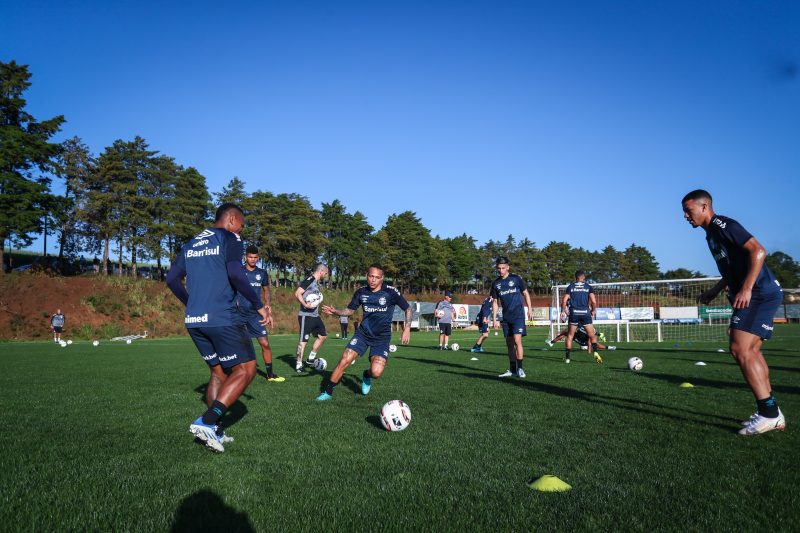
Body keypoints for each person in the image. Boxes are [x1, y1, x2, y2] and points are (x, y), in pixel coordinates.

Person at [166, 203, 268, 453]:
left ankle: (214, 431)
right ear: (232, 219)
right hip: (222, 316)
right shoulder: (229, 237)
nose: (241, 232)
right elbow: (235, 273)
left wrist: (192, 304)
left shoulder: (190, 244)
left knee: (218, 373)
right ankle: (207, 421)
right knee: (246, 369)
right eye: (241, 225)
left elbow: (171, 279)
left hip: (194, 319)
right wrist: (258, 304)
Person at [682, 189, 785, 435]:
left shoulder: (722, 224)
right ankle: (772, 411)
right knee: (750, 351)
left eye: (689, 210)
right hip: (758, 292)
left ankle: (768, 413)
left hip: (759, 292)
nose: (685, 216)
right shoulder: (711, 235)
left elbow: (758, 251)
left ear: (705, 207)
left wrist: (747, 289)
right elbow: (731, 268)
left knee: (740, 349)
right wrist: (716, 289)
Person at [316, 264, 412, 401]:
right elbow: (350, 311)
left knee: (376, 372)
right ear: (367, 276)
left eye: (377, 277)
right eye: (371, 276)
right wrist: (335, 311)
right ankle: (327, 391)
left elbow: (408, 309)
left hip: (382, 338)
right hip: (363, 334)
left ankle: (366, 375)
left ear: (382, 278)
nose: (373, 280)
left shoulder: (391, 292)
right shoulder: (361, 292)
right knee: (345, 359)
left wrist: (406, 328)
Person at [240, 245, 284, 382]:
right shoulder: (238, 271)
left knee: (264, 343)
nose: (252, 259)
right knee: (238, 344)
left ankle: (270, 375)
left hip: (255, 314)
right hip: (238, 313)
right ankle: (236, 374)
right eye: (250, 257)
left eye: (255, 257)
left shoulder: (262, 273)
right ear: (245, 257)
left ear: (258, 258)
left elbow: (266, 290)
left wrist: (268, 304)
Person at [491, 256, 533, 378]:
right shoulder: (496, 283)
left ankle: (520, 368)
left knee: (516, 340)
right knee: (509, 344)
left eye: (503, 268)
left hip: (518, 315)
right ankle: (512, 369)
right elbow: (495, 302)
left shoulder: (516, 279)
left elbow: (525, 293)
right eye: (499, 268)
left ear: (508, 267)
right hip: (506, 317)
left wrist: (530, 309)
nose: (501, 270)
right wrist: (494, 318)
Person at [560, 270, 601, 365]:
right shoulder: (588, 287)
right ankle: (595, 353)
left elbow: (564, 300)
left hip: (574, 313)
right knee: (592, 335)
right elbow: (593, 301)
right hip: (585, 313)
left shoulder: (570, 287)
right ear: (583, 277)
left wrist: (563, 311)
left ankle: (567, 358)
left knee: (570, 336)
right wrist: (593, 310)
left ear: (576, 277)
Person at [295, 264, 329, 372]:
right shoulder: (310, 279)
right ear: (322, 271)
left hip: (315, 316)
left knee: (323, 336)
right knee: (303, 341)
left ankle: (310, 358)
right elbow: (297, 293)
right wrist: (304, 304)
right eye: (326, 273)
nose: (326, 275)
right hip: (306, 316)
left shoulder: (316, 282)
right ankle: (299, 364)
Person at [547, 325, 616, 361]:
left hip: (584, 342)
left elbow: (589, 341)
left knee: (596, 344)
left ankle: (609, 347)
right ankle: (551, 342)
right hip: (578, 338)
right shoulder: (581, 326)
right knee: (565, 333)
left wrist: (589, 351)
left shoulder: (590, 330)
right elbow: (569, 330)